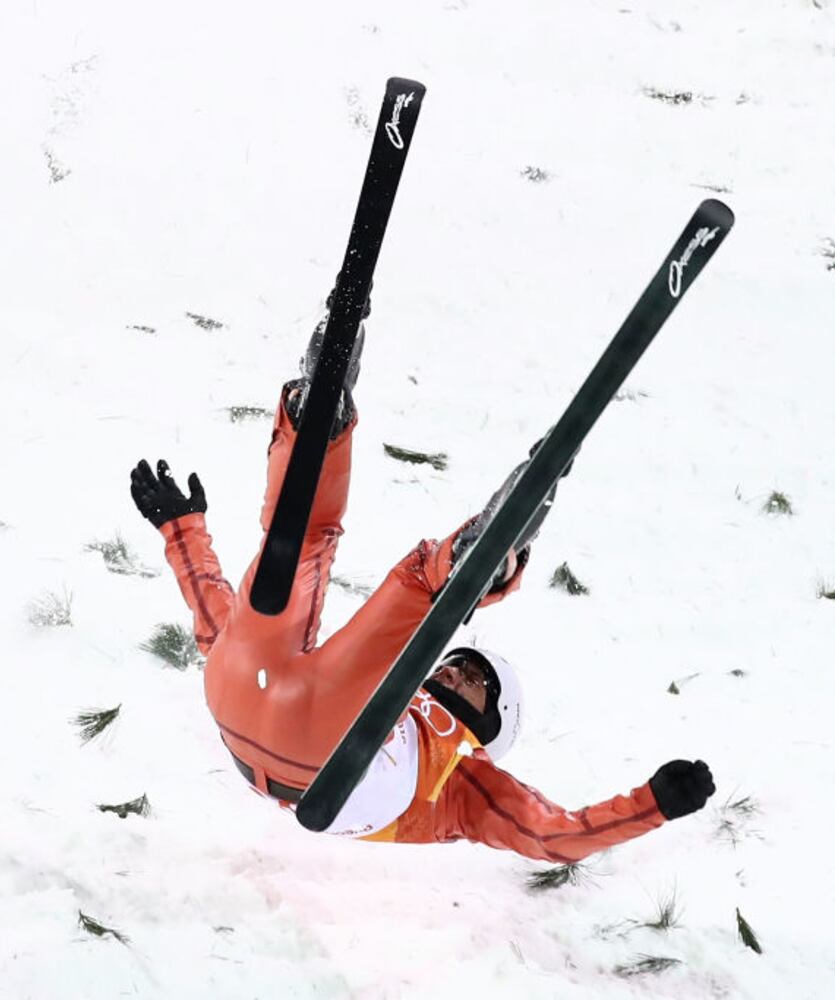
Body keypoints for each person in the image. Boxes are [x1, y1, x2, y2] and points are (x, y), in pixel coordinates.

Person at [129, 297, 715, 863]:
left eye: (476, 681)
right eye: (462, 664)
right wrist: (183, 530)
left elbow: (549, 837)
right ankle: (321, 415)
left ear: (491, 725)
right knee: (301, 539)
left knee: (418, 583)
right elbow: (223, 633)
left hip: (323, 759)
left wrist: (654, 803)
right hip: (238, 699)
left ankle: (478, 561)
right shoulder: (396, 690)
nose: (456, 671)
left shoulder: (464, 783)